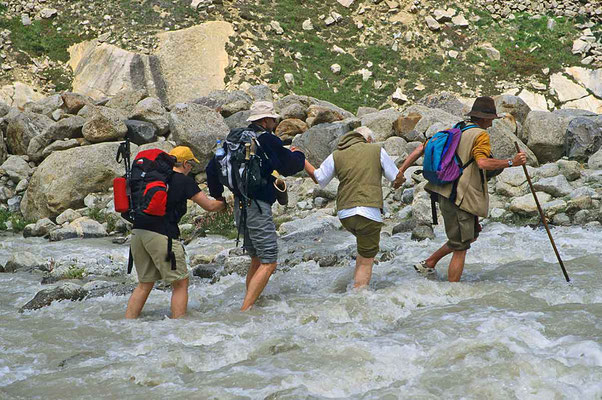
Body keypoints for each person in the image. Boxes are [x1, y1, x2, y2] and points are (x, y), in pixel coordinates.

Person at [395, 96, 527, 282]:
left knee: (469, 236)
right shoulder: (480, 135)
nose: (491, 123)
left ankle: (429, 263)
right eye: (490, 119)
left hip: (444, 192)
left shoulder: (455, 129)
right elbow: (482, 163)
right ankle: (453, 293)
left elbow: (419, 149)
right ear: (483, 118)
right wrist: (512, 162)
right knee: (461, 247)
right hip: (459, 197)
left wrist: (401, 171)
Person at [206, 101, 306, 311]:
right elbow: (289, 165)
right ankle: (245, 309)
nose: (274, 122)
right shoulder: (266, 140)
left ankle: (251, 302)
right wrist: (299, 154)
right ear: (265, 120)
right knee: (269, 261)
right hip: (257, 207)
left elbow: (211, 169)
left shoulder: (233, 140)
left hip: (239, 206)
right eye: (273, 119)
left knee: (256, 258)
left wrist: (219, 197)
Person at [125, 146, 226, 319]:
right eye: (191, 166)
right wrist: (224, 203)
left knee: (144, 284)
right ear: (185, 163)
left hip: (138, 233)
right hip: (163, 236)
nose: (191, 169)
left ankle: (127, 323)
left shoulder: (150, 178)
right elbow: (209, 206)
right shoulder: (182, 181)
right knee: (180, 283)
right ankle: (179, 327)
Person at [303, 127, 404, 288]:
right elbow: (395, 178)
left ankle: (355, 285)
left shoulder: (336, 154)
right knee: (366, 260)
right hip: (369, 212)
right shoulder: (376, 150)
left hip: (345, 214)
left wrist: (301, 159)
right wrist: (400, 179)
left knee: (362, 251)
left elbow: (319, 178)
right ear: (369, 140)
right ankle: (359, 297)